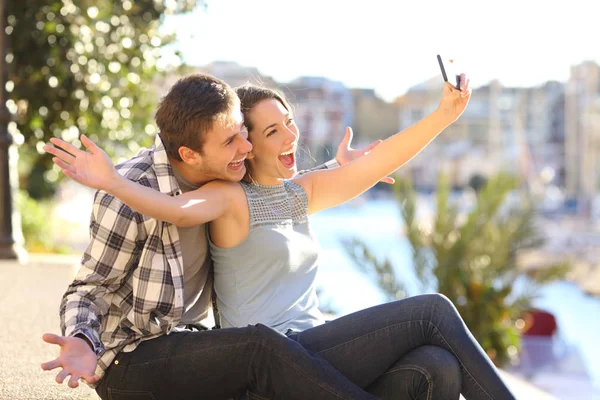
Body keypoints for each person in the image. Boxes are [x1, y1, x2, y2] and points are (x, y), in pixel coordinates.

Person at [46, 73, 517, 400]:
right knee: (432, 310)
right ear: (236, 147)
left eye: (287, 122)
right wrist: (111, 181)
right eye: (268, 131)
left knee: (437, 366)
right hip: (263, 357)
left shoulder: (297, 193)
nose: (287, 135)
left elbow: (379, 161)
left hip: (312, 346)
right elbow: (176, 209)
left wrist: (444, 116)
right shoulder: (225, 197)